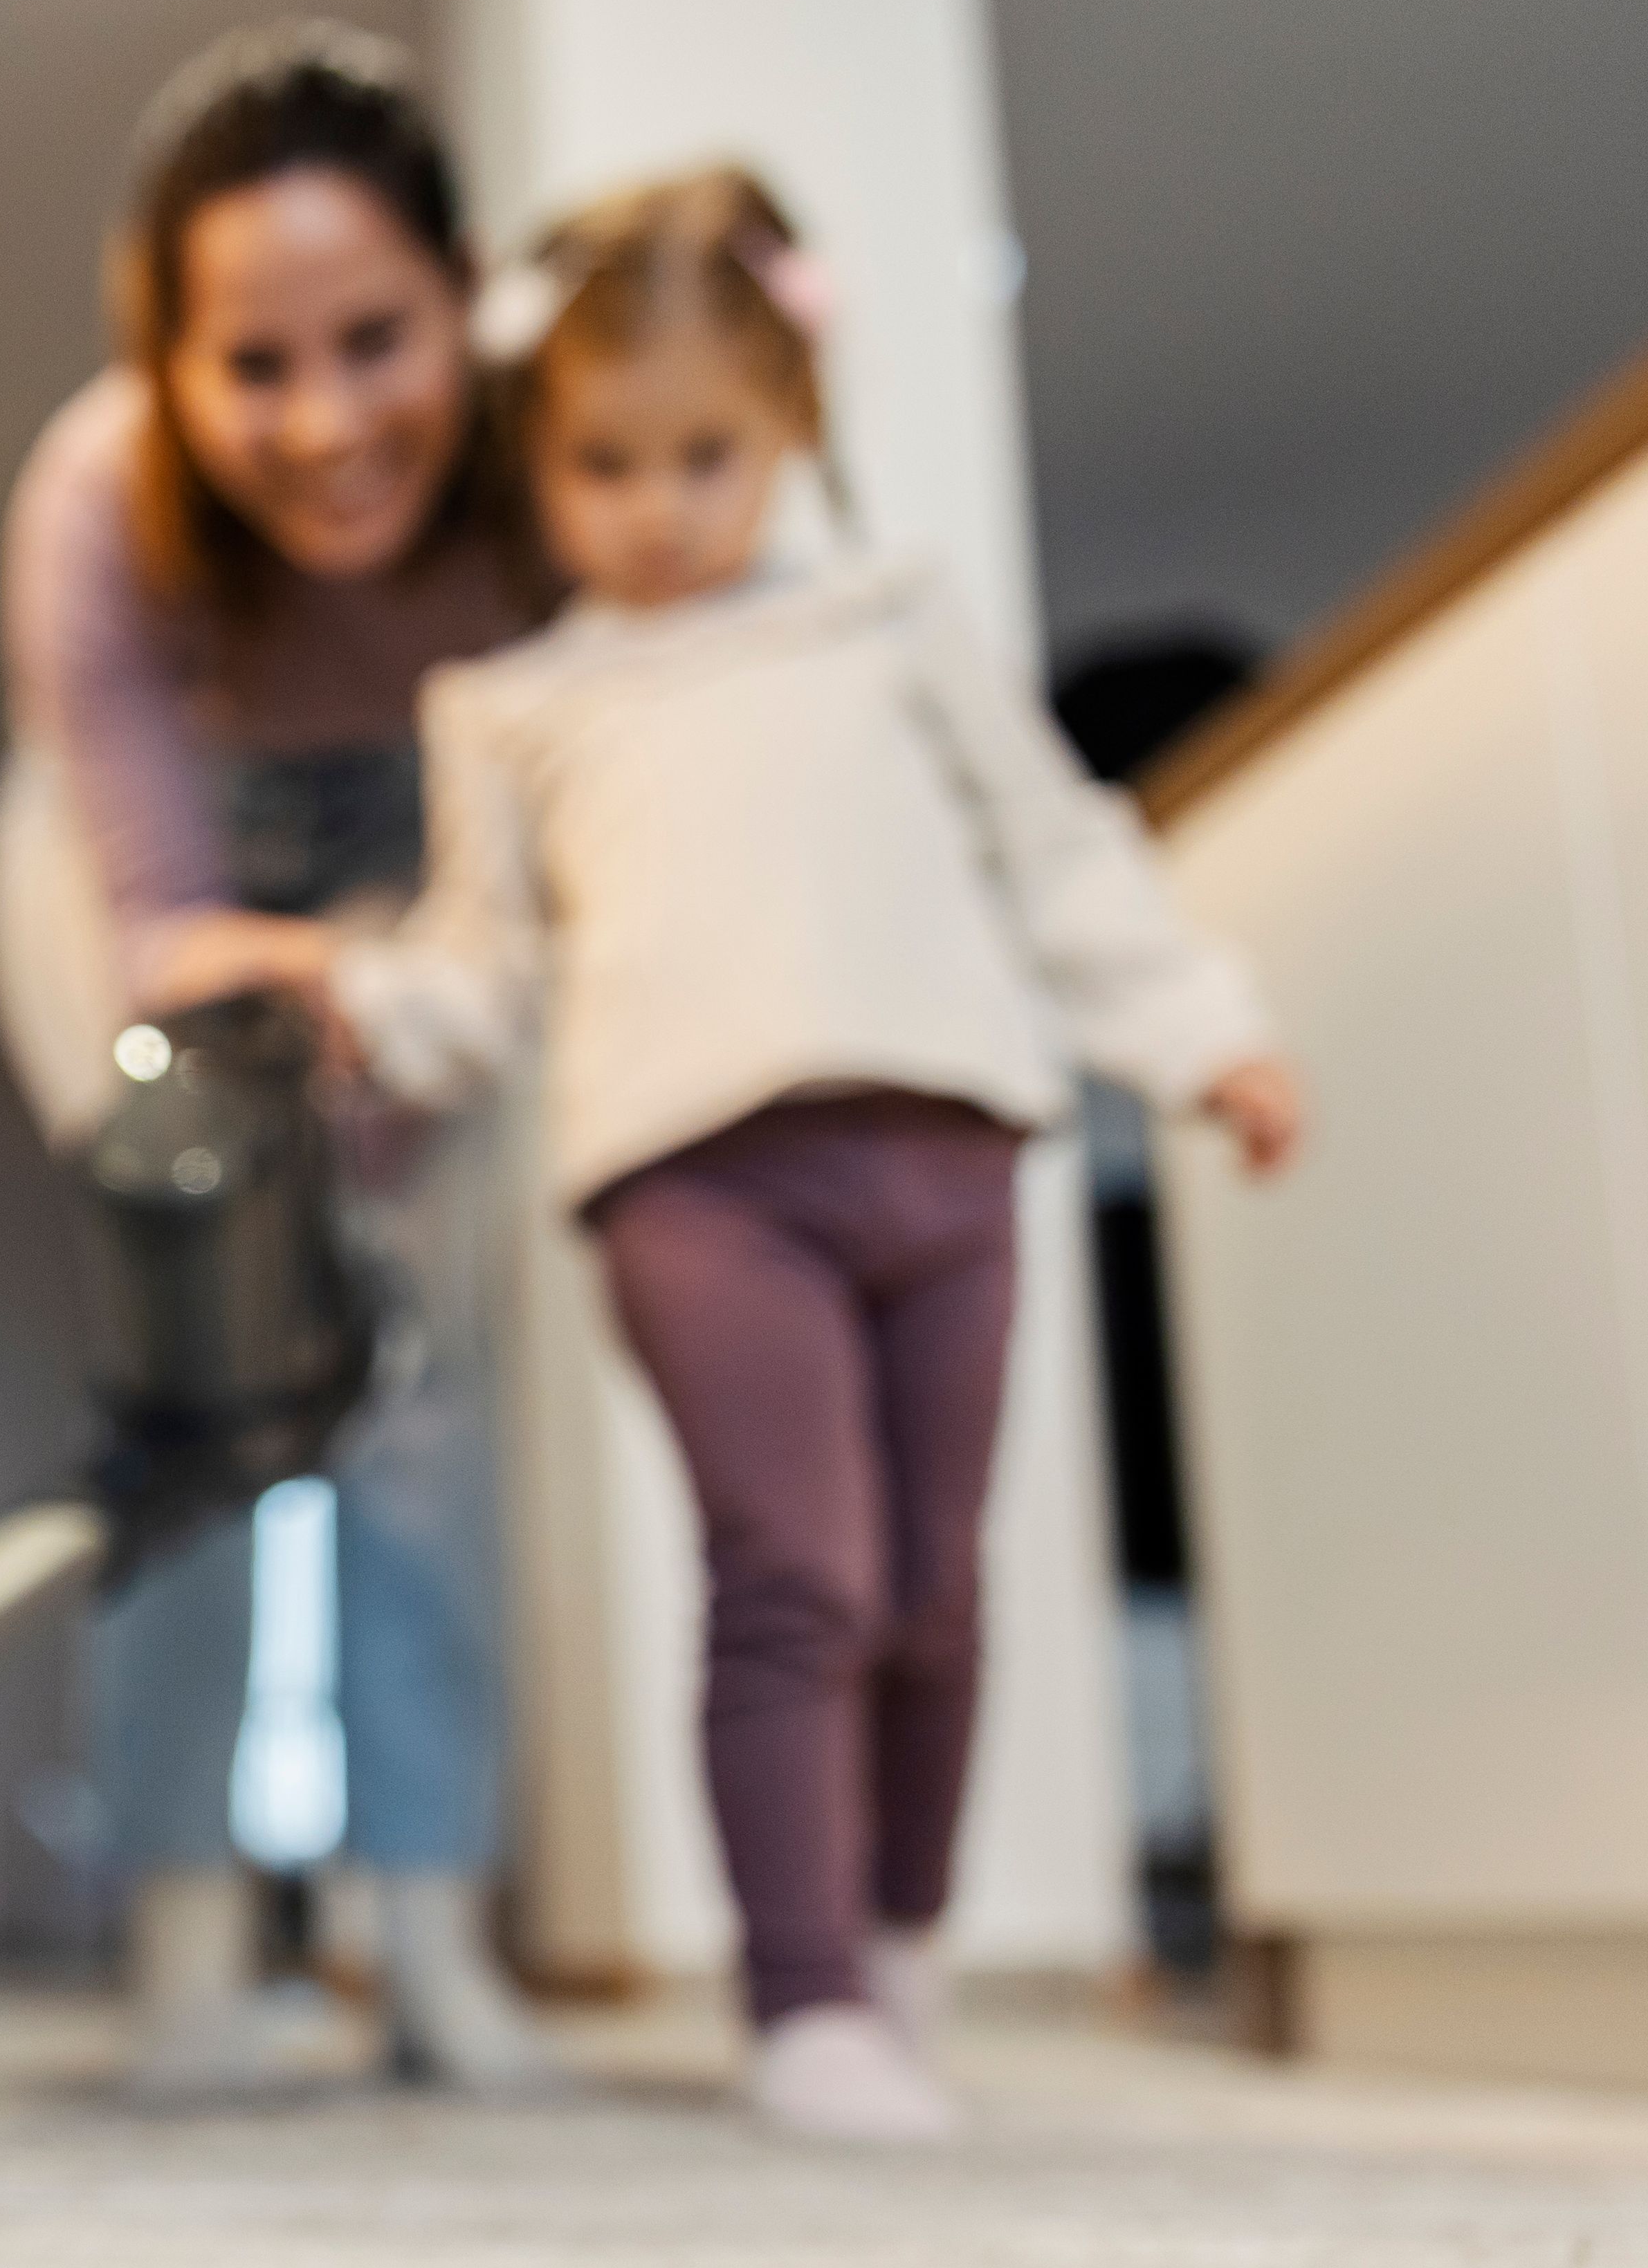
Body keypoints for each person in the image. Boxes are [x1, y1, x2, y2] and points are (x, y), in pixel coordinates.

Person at [335, 167, 1305, 2144]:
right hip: (697, 1185)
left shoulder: (894, 622)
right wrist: (379, 1016)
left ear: (790, 426)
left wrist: (1204, 1034)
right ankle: (801, 2003)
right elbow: (480, 960)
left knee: (936, 1587)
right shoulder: (514, 708)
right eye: (608, 463)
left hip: (951, 1157)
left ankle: (900, 1959)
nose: (661, 503)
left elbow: (1057, 848)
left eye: (710, 454)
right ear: (542, 458)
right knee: (800, 1572)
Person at [0, 23, 558, 2099]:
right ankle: (193, 1953)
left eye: (378, 339)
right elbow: (157, 915)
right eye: (254, 367)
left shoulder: (547, 473)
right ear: (165, 362)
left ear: (467, 291)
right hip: (144, 907)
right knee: (198, 1402)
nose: (326, 423)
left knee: (417, 1406)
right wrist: (308, 1049)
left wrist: (402, 1078)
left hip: (429, 910)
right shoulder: (95, 505)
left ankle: (431, 1953)